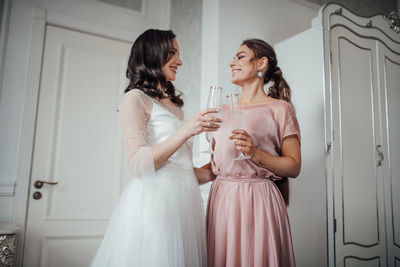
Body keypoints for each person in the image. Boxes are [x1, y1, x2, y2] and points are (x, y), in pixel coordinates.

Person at [90, 29, 220, 267]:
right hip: (156, 205)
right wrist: (187, 130)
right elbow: (139, 164)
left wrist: (219, 168)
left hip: (186, 204)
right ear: (152, 54)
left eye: (178, 54)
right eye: (172, 53)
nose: (179, 61)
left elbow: (180, 168)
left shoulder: (174, 107)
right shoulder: (135, 99)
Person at [206, 38, 301, 267]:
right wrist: (175, 172)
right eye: (233, 58)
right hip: (222, 200)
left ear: (261, 63)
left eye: (240, 57)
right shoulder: (220, 110)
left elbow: (294, 166)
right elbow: (216, 168)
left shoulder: (280, 108)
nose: (231, 63)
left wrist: (254, 152)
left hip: (260, 201)